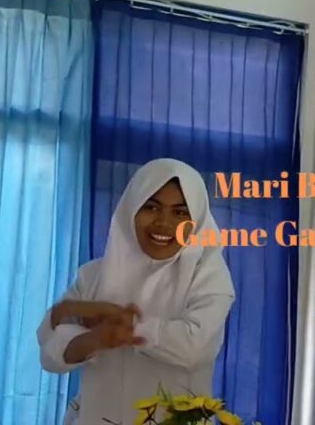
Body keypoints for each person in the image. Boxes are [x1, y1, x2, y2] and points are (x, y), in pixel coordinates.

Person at [37, 158, 236, 425]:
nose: (164, 223)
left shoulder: (208, 278)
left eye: (180, 213)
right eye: (151, 207)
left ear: (197, 220)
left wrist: (129, 328)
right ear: (131, 208)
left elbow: (195, 347)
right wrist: (97, 339)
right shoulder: (93, 275)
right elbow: (50, 350)